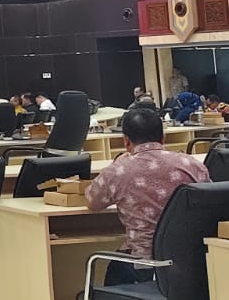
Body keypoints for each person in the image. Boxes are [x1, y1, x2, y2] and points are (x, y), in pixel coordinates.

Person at [86, 108, 209, 285]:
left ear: (126, 141)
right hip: (191, 262)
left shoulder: (119, 170)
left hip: (143, 264)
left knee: (115, 268)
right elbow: (210, 200)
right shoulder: (191, 164)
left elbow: (93, 202)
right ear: (163, 138)